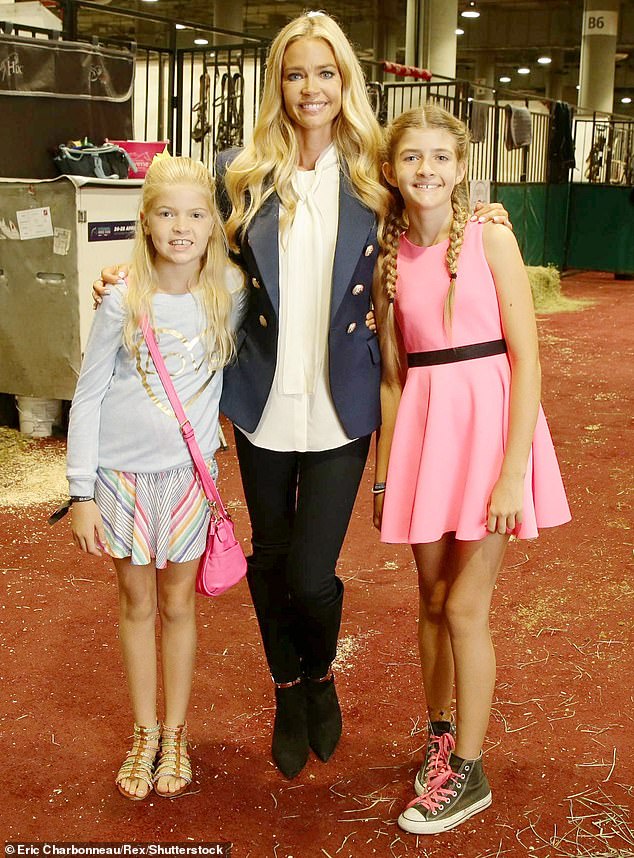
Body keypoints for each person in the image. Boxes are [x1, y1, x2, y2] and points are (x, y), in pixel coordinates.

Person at [93, 12, 510, 780]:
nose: (310, 87)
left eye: (324, 72)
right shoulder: (240, 171)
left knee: (313, 575)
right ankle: (290, 688)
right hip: (260, 402)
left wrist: (482, 213)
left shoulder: (375, 172)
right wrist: (127, 275)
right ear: (278, 85)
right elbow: (181, 240)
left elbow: (434, 197)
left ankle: (319, 670)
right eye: (295, 73)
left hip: (343, 405)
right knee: (269, 564)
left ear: (344, 80)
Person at [373, 105, 570, 834]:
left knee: (463, 607)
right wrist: (387, 476)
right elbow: (393, 380)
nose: (427, 170)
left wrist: (513, 471)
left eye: (441, 158)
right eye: (412, 158)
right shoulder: (387, 254)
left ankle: (472, 772)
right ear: (391, 171)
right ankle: (439, 738)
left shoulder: (491, 237)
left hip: (491, 440)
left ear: (461, 167)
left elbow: (529, 359)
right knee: (430, 602)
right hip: (427, 441)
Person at [66, 155, 243, 801]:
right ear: (144, 222)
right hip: (120, 478)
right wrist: (80, 490)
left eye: (195, 214)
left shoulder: (232, 291)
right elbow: (87, 397)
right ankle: (143, 732)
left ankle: (176, 732)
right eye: (166, 213)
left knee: (178, 604)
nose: (180, 227)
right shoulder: (120, 296)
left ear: (213, 223)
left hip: (188, 480)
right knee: (137, 604)